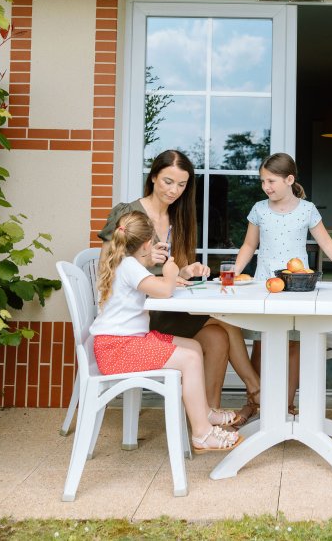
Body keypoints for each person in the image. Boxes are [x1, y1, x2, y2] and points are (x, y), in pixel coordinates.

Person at [98, 149, 242, 424]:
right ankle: (255, 391)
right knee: (224, 321)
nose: (174, 190)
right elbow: (109, 266)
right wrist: (146, 264)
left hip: (163, 307)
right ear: (153, 177)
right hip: (138, 316)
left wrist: (185, 271)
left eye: (182, 184)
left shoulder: (179, 217)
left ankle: (209, 412)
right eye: (168, 181)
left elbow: (170, 274)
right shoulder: (129, 215)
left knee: (218, 335)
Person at [90, 211, 241, 452]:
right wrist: (171, 273)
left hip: (120, 344)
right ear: (146, 243)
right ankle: (202, 433)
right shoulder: (129, 266)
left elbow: (149, 283)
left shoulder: (126, 262)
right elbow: (164, 291)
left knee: (193, 346)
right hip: (118, 350)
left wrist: (157, 266)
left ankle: (204, 412)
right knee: (190, 358)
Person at [233, 152, 332, 416]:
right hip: (266, 284)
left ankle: (287, 405)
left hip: (297, 286)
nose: (266, 187)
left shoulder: (307, 210)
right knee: (261, 342)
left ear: (289, 180)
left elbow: (327, 243)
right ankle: (254, 402)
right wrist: (234, 271)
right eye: (263, 181)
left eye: (271, 181)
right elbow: (249, 244)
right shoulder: (259, 209)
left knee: (294, 343)